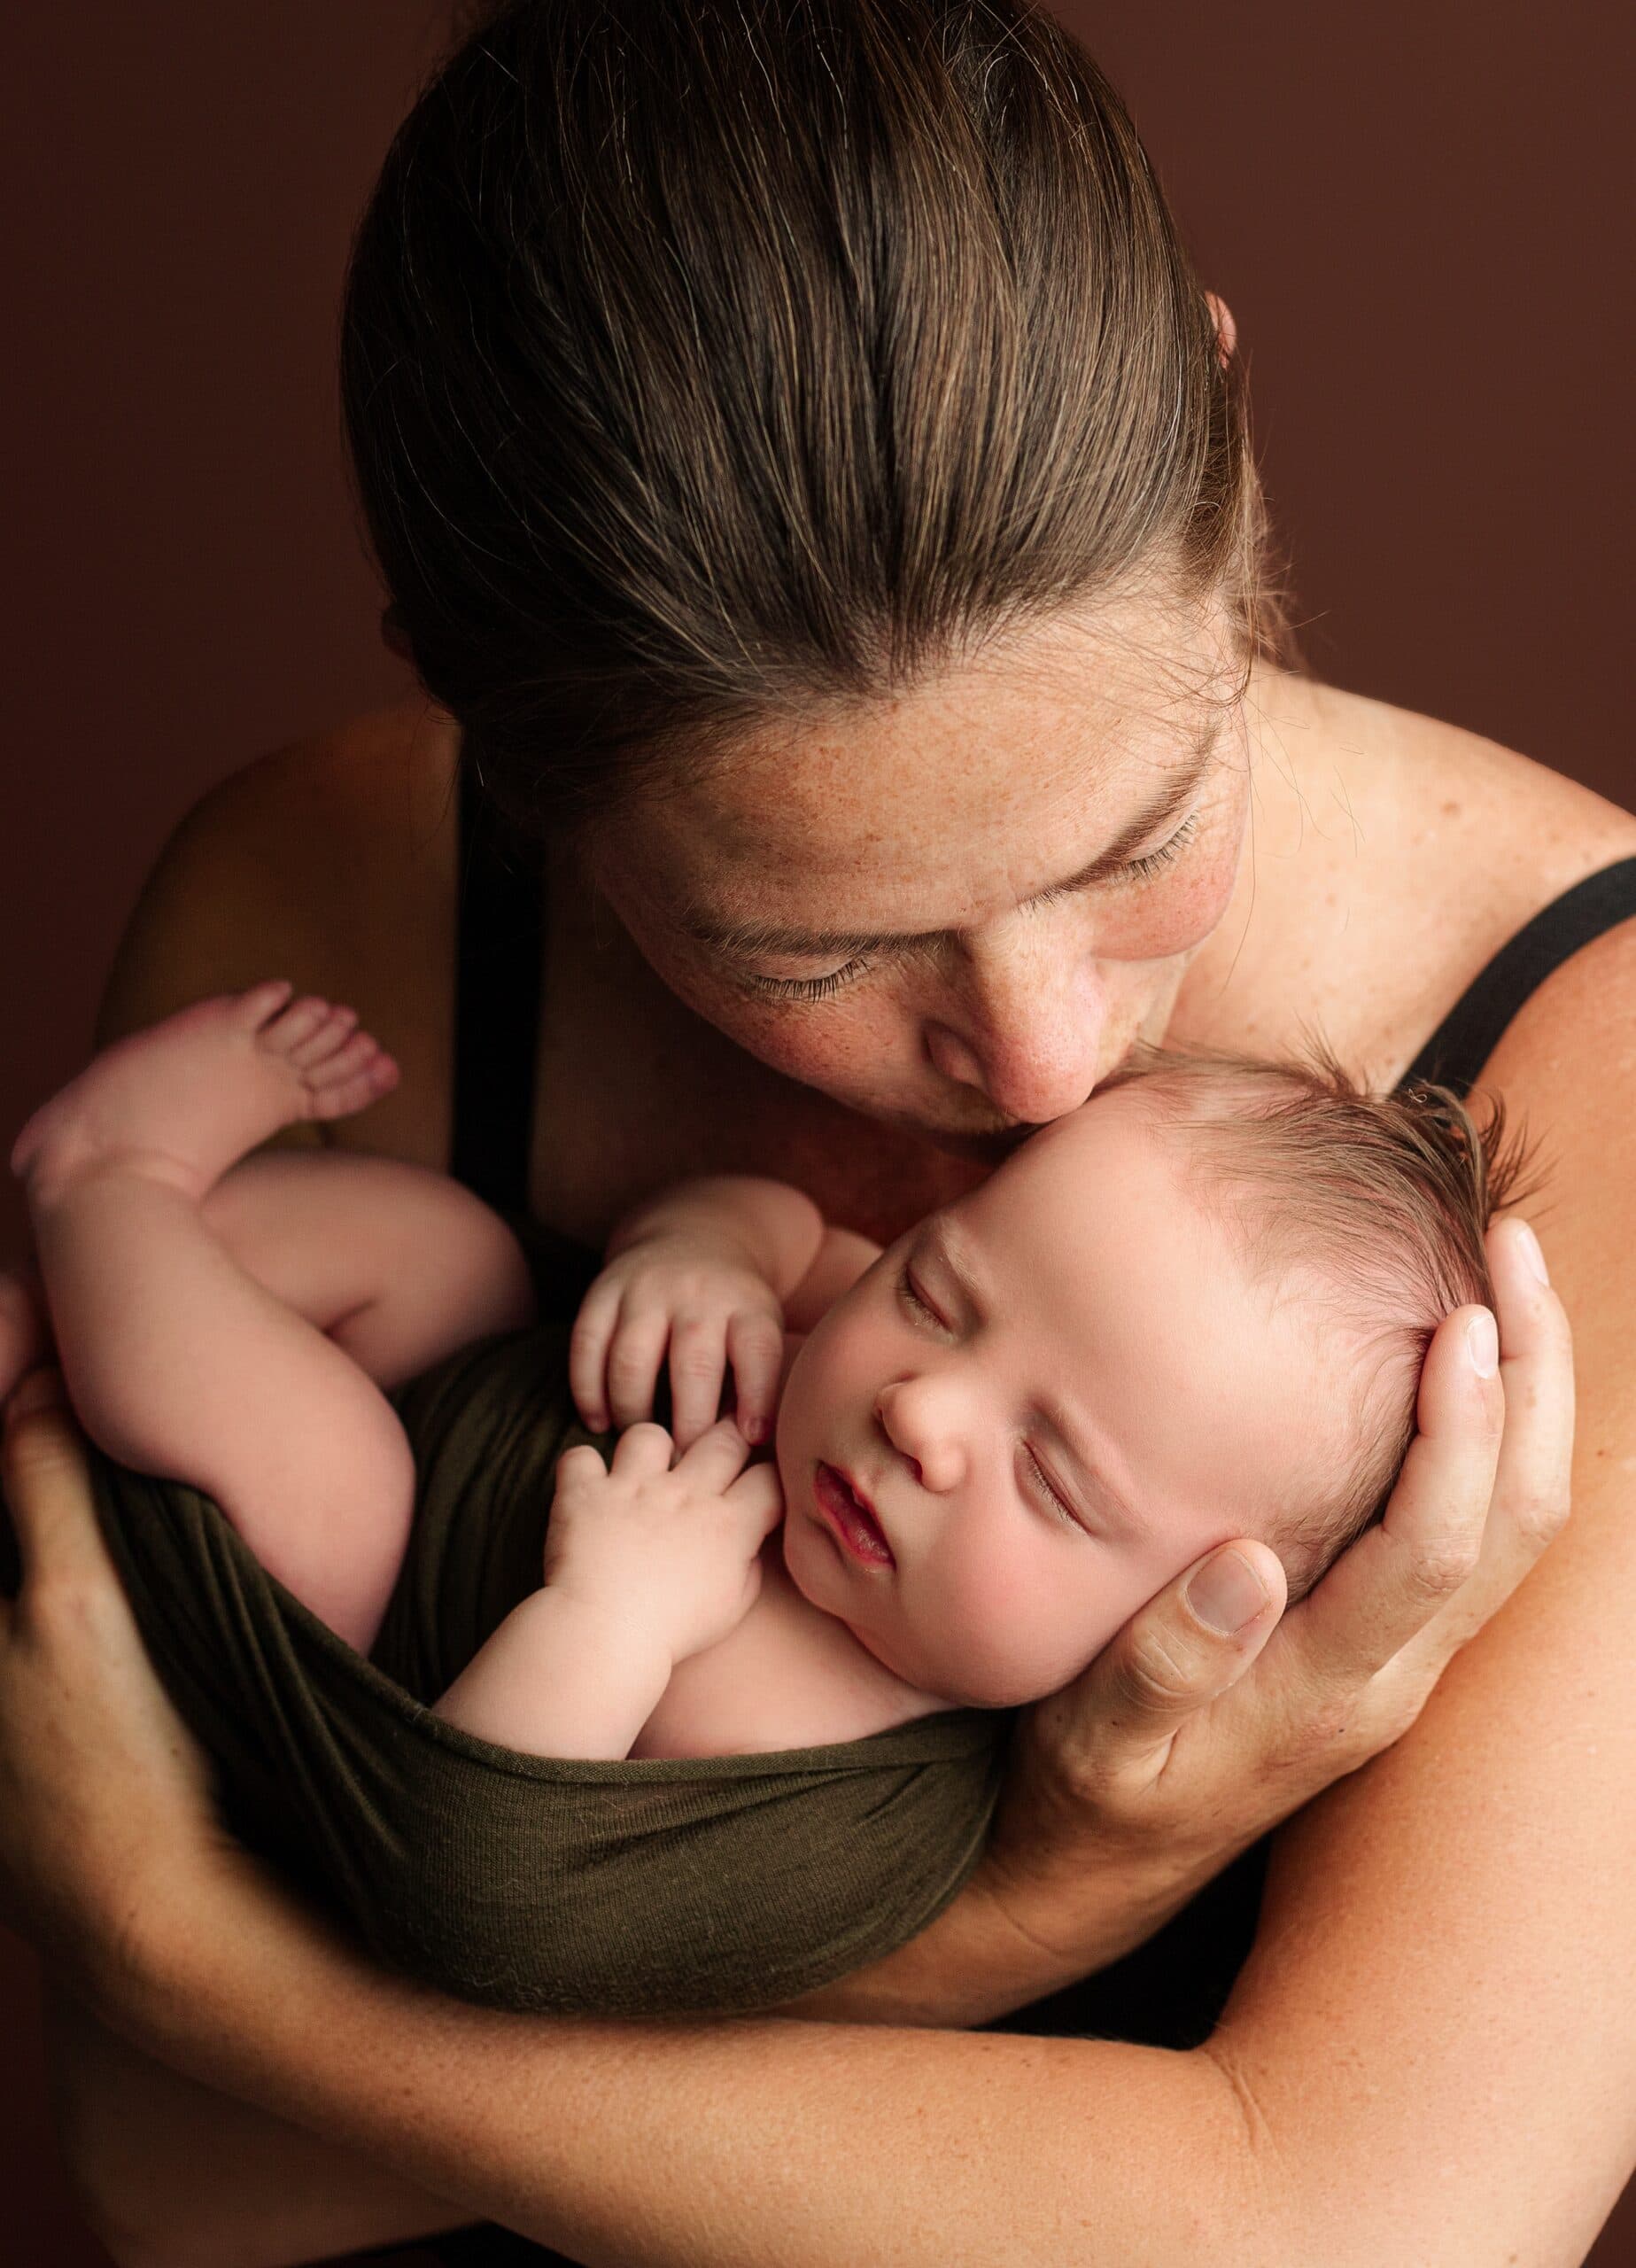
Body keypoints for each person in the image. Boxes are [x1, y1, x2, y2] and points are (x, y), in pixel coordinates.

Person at [0, 2, 1628, 2262]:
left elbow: (1387, 2228)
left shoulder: (1593, 1059)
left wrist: (209, 1966)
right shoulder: (331, 909)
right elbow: (173, 2191)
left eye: (1146, 828)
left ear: (1231, 435)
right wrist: (1042, 1884)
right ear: (506, 752)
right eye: (807, 952)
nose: (1050, 1068)